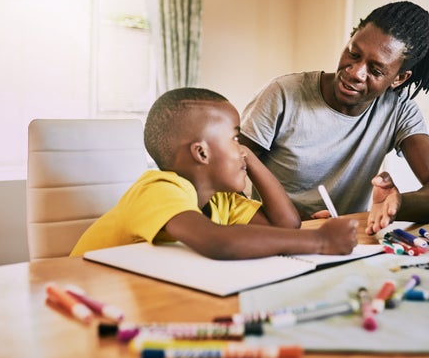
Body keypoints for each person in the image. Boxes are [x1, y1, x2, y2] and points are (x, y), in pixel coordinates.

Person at [240, 1, 429, 236]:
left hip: (343, 242)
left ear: (399, 78)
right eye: (353, 54)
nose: (355, 72)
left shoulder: (399, 110)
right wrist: (293, 222)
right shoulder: (283, 95)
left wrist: (397, 205)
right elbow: (219, 179)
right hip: (276, 234)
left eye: (376, 70)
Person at [69, 87, 358, 259]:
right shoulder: (158, 188)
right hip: (80, 294)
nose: (242, 148)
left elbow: (286, 225)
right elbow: (218, 242)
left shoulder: (220, 201)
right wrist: (320, 242)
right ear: (202, 153)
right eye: (235, 138)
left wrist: (250, 160)